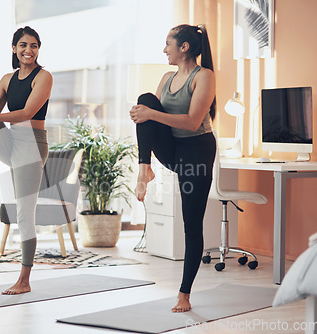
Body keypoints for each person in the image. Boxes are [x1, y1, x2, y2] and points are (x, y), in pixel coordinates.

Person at [129, 24, 217, 312]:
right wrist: (145, 114)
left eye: (168, 43)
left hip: (196, 152)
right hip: (174, 149)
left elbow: (193, 122)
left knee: (191, 224)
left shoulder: (203, 77)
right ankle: (145, 170)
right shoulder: (167, 77)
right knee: (145, 101)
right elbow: (155, 118)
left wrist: (150, 115)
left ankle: (184, 294)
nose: (164, 49)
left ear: (184, 47)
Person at [0, 26, 53, 295]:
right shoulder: (7, 79)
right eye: (23, 45)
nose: (29, 50)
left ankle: (24, 280)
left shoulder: (44, 77)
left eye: (34, 46)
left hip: (31, 146)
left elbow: (26, 113)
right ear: (14, 48)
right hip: (10, 142)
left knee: (24, 215)